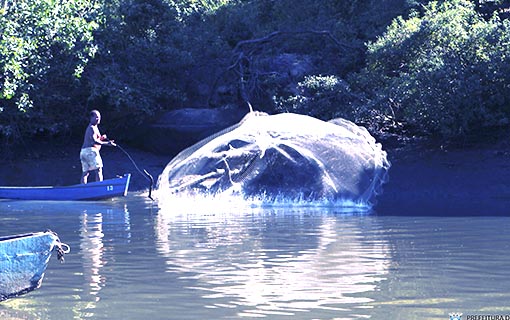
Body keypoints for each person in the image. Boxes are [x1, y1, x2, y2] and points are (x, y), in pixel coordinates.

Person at [80, 110, 116, 184]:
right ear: (91, 118)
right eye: (96, 117)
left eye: (99, 117)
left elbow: (94, 140)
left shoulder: (93, 128)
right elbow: (94, 141)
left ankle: (83, 189)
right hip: (90, 151)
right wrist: (107, 143)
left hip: (83, 151)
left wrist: (102, 138)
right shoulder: (92, 128)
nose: (98, 119)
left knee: (85, 172)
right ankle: (100, 187)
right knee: (98, 169)